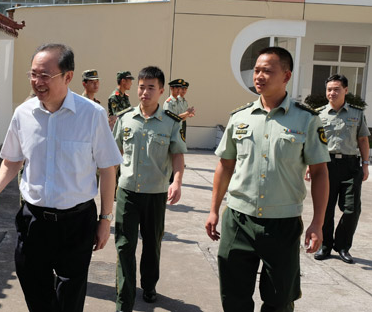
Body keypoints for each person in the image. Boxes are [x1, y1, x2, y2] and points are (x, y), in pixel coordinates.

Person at [0, 43, 122, 312]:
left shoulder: (92, 115)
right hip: (34, 222)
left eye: (45, 75)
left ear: (68, 77)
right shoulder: (23, 114)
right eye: (33, 74)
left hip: (77, 223)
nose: (37, 82)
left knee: (69, 300)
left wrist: (105, 219)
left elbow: (107, 169)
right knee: (36, 294)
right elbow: (12, 160)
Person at [204, 47, 330, 312]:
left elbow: (319, 173)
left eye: (267, 71)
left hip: (282, 225)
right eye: (257, 70)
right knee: (234, 298)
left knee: (279, 300)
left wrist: (318, 223)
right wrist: (214, 210)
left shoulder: (306, 119)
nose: (259, 76)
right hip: (238, 220)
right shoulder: (240, 117)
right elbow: (225, 165)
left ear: (286, 76)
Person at [113, 66, 187, 312]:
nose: (145, 92)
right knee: (124, 245)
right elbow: (115, 155)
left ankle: (149, 285)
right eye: (142, 87)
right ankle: (124, 297)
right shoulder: (125, 119)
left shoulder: (170, 123)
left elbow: (177, 155)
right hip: (127, 192)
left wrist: (176, 181)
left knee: (152, 243)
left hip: (156, 194)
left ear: (161, 90)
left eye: (151, 87)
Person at [310, 74, 370, 264]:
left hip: (350, 165)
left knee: (352, 209)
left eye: (336, 89)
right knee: (325, 209)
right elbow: (312, 143)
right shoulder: (318, 114)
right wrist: (309, 166)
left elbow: (362, 139)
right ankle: (326, 246)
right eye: (329, 89)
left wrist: (365, 164)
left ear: (346, 90)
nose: (332, 93)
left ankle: (343, 246)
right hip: (325, 165)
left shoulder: (357, 113)